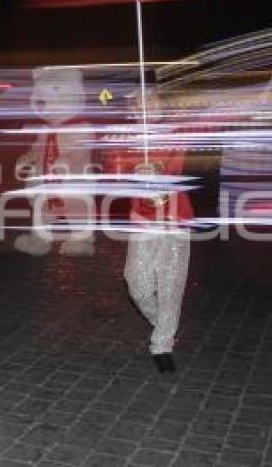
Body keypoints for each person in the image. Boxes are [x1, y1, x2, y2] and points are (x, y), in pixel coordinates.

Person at [99, 89, 193, 372]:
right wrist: (121, 163)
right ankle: (163, 324)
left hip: (175, 222)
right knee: (136, 283)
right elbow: (112, 178)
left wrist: (155, 172)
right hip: (142, 221)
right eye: (138, 102)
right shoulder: (123, 139)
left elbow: (175, 171)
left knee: (169, 287)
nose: (145, 106)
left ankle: (162, 343)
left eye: (151, 101)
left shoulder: (174, 136)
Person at [13, 67, 96, 257]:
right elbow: (38, 147)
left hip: (72, 181)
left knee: (77, 208)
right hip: (45, 180)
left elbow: (83, 150)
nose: (44, 105)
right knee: (42, 208)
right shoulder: (44, 128)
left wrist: (68, 159)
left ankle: (82, 240)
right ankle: (39, 239)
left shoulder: (82, 127)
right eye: (41, 99)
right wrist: (28, 157)